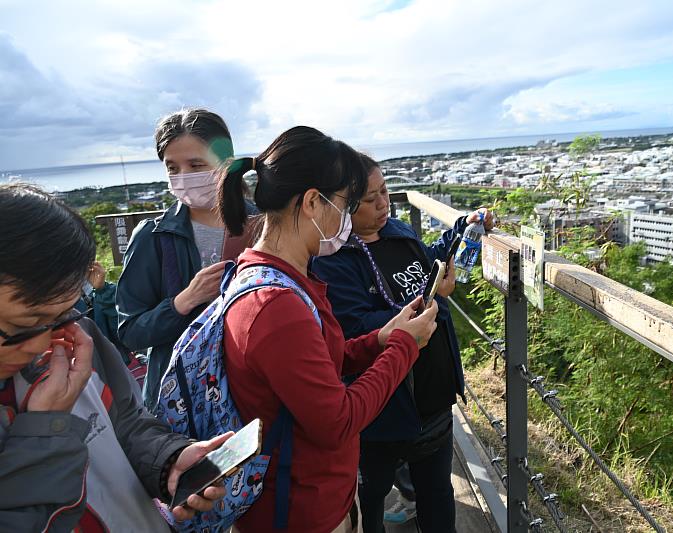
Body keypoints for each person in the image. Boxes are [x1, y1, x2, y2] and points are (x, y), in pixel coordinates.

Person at [216, 126, 439, 533]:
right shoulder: (276, 306)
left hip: (308, 493)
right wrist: (405, 347)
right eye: (345, 203)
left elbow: (317, 365)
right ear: (313, 203)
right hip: (300, 509)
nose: (348, 218)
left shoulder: (273, 275)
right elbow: (337, 420)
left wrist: (381, 339)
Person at [0, 183, 232, 531]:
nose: (43, 342)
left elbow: (124, 421)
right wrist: (44, 433)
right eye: (25, 323)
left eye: (64, 313)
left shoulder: (79, 343)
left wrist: (168, 461)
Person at [311, 155, 494, 532]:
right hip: (383, 408)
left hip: (433, 399)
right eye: (370, 199)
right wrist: (434, 301)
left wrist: (464, 227)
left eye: (385, 192)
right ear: (341, 205)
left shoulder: (397, 231)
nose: (384, 204)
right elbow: (355, 329)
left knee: (437, 495)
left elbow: (428, 263)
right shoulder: (333, 262)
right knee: (370, 500)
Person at [116, 108, 257, 411]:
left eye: (196, 164)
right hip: (180, 403)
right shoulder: (154, 236)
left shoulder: (264, 226)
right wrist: (183, 301)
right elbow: (130, 332)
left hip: (251, 394)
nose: (184, 177)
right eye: (172, 168)